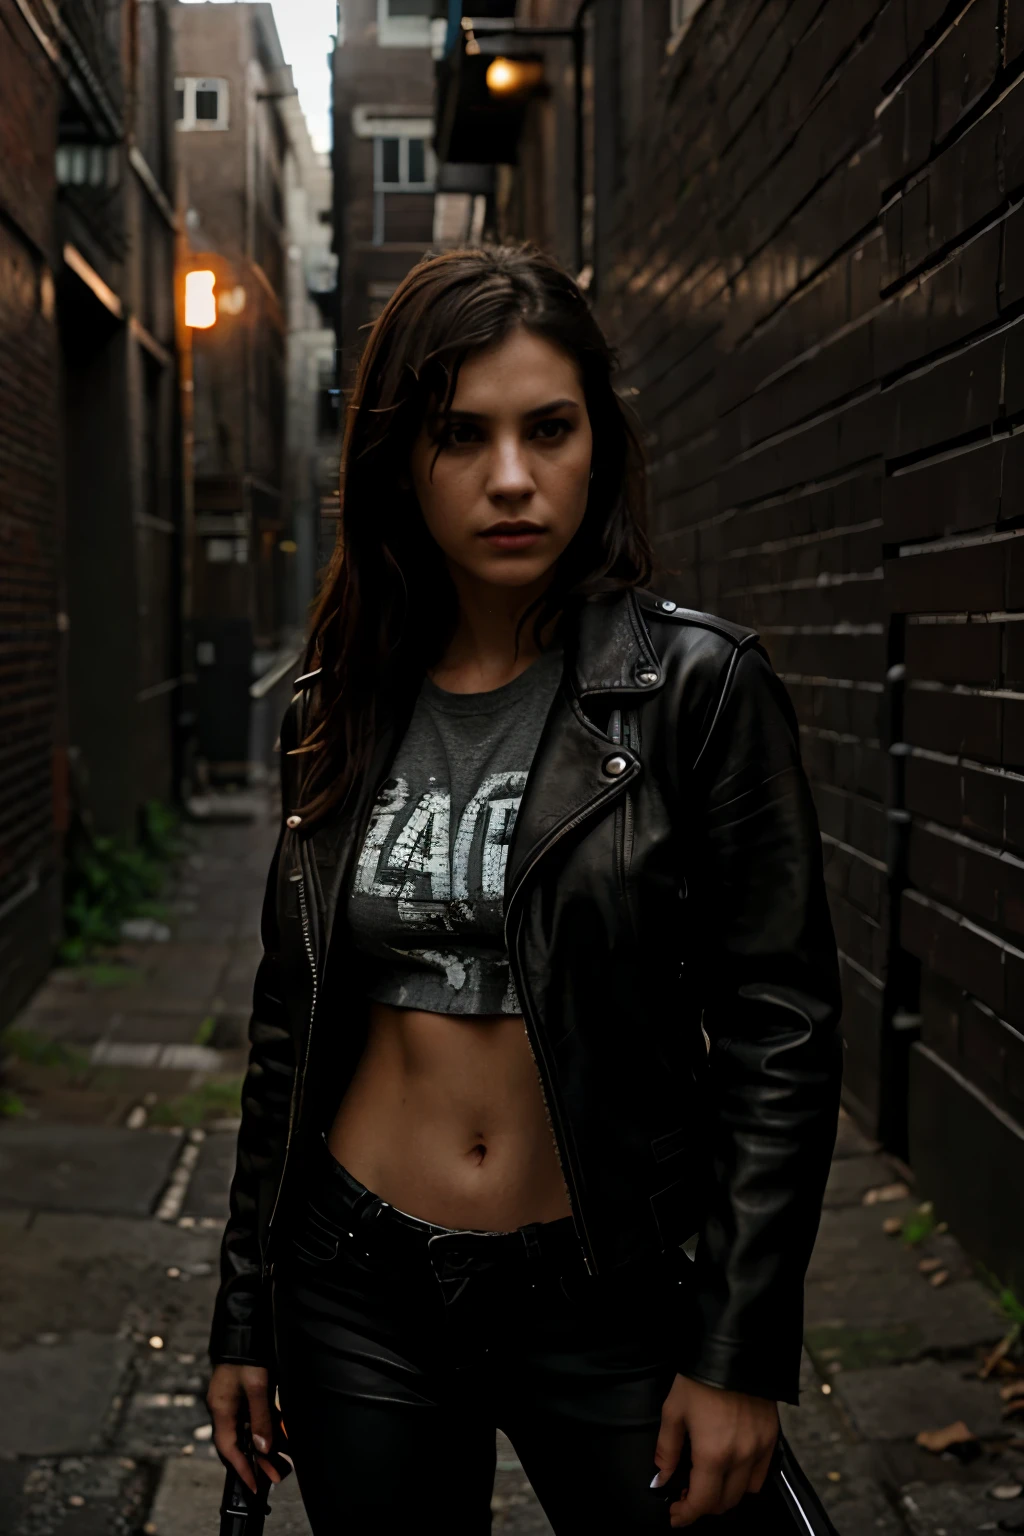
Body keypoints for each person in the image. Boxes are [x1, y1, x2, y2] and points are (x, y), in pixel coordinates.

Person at [206, 244, 843, 1534]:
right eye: (461, 436)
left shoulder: (696, 693)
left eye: (549, 429)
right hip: (354, 1284)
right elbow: (291, 1025)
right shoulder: (335, 710)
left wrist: (736, 1351)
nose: (512, 478)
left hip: (605, 1290)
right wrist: (246, 1311)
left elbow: (781, 1033)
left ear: (595, 443)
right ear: (401, 462)